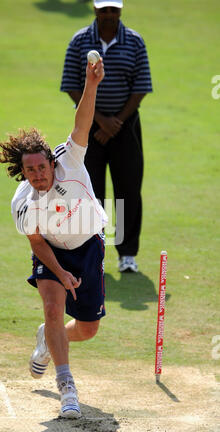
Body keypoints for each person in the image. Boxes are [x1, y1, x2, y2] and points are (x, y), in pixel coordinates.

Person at [0, 59, 106, 419]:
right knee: (53, 308)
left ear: (50, 161)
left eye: (41, 167)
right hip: (52, 253)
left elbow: (82, 123)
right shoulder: (23, 202)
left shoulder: (70, 159)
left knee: (88, 329)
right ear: (23, 171)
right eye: (30, 170)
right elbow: (37, 243)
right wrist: (59, 274)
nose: (38, 174)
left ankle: (47, 337)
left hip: (89, 246)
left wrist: (91, 85)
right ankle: (67, 388)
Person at [60, 0, 153, 273]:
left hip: (126, 128)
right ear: (95, 10)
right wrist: (99, 120)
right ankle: (93, 252)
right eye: (104, 10)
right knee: (89, 192)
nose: (109, 15)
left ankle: (127, 255)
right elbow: (70, 85)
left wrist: (116, 122)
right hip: (89, 129)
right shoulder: (79, 41)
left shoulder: (135, 41)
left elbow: (141, 86)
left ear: (120, 11)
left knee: (128, 191)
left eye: (114, 9)